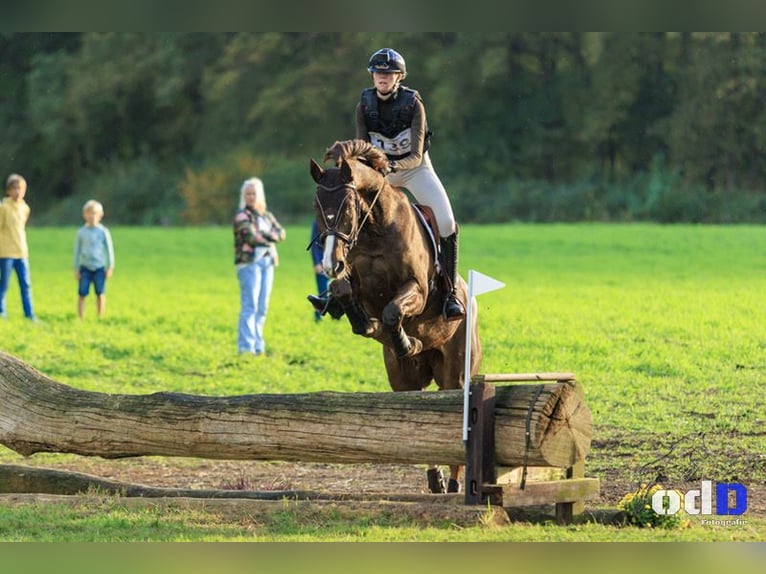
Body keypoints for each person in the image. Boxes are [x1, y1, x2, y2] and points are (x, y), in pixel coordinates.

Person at [308, 47, 465, 320]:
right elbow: (362, 149)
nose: (382, 77)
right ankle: (338, 292)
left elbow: (415, 155)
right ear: (372, 77)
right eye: (378, 73)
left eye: (388, 73)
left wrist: (391, 166)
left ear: (399, 77)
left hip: (415, 169)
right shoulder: (364, 105)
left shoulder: (413, 104)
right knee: (350, 214)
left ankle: (450, 294)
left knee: (447, 222)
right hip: (379, 173)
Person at [234, 177, 285, 356]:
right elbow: (250, 238)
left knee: (262, 307)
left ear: (259, 195)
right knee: (250, 305)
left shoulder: (267, 216)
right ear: (244, 196)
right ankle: (245, 348)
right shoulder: (241, 215)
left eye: (253, 193)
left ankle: (258, 346)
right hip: (249, 264)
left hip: (267, 262)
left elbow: (281, 233)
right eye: (247, 193)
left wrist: (265, 235)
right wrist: (269, 235)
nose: (250, 196)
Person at [0, 173, 36, 321]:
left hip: (21, 252)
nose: (18, 192)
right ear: (9, 190)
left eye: (20, 188)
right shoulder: (4, 208)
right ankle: (2, 312)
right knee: (4, 284)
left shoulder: (25, 208)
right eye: (14, 188)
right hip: (6, 252)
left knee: (26, 285)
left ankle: (29, 314)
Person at [73, 199, 115, 318]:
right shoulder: (81, 232)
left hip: (99, 267)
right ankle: (80, 317)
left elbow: (109, 250)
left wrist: (110, 266)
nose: (92, 216)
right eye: (89, 213)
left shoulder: (103, 232)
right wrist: (76, 268)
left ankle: (99, 316)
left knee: (100, 293)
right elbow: (77, 251)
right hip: (85, 267)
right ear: (84, 215)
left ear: (100, 215)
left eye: (94, 213)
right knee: (82, 293)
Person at [310, 219, 329, 322]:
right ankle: (318, 315)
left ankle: (336, 315)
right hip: (322, 261)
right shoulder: (317, 222)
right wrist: (316, 262)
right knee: (323, 291)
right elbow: (314, 244)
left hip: (337, 260)